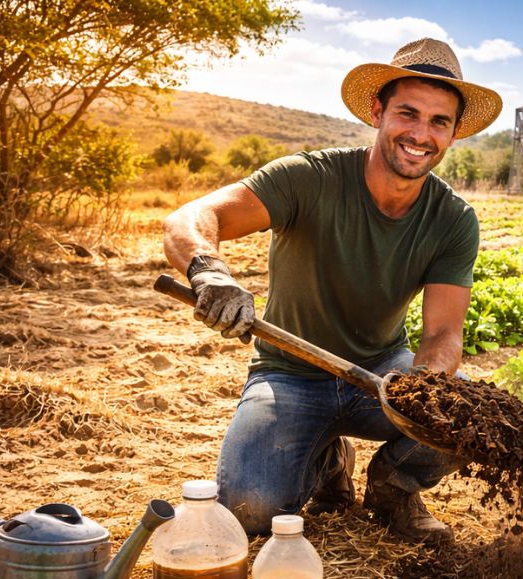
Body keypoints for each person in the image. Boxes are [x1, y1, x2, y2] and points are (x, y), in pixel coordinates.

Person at [161, 38, 502, 544]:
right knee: (250, 511)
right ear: (377, 111)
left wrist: (422, 388)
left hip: (380, 371)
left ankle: (394, 487)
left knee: (469, 413)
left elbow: (445, 333)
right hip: (290, 375)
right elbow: (190, 217)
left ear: (452, 134)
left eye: (439, 122)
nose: (420, 134)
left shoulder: (452, 219)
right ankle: (327, 460)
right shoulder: (309, 179)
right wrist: (210, 272)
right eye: (408, 114)